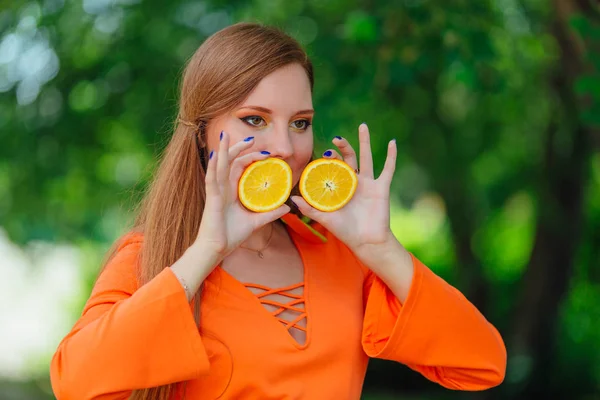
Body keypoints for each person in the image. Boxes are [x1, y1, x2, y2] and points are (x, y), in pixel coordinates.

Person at [49, 22, 506, 400]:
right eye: (255, 119)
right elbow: (75, 381)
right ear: (203, 133)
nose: (285, 147)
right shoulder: (149, 257)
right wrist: (206, 252)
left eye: (300, 123)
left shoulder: (343, 257)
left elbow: (482, 363)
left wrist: (379, 247)